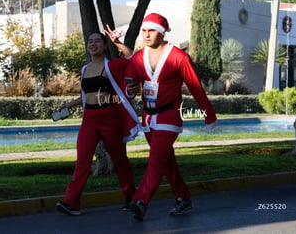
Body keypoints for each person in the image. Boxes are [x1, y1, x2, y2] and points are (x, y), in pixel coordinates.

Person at [124, 13, 217, 221]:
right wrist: (131, 89)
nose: (147, 35)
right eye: (144, 31)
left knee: (156, 159)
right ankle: (183, 197)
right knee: (166, 162)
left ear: (162, 33)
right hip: (148, 116)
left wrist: (209, 114)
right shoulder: (139, 58)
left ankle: (141, 200)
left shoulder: (179, 57)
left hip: (169, 115)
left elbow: (195, 86)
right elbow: (129, 86)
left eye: (151, 31)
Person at [55, 27, 142, 216]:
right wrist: (68, 105)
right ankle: (71, 203)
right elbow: (86, 95)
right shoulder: (85, 69)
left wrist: (118, 43)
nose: (93, 44)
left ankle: (131, 196)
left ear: (104, 46)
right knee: (82, 161)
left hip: (109, 117)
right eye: (90, 41)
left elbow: (131, 59)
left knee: (119, 160)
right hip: (89, 120)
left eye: (97, 41)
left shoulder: (111, 66)